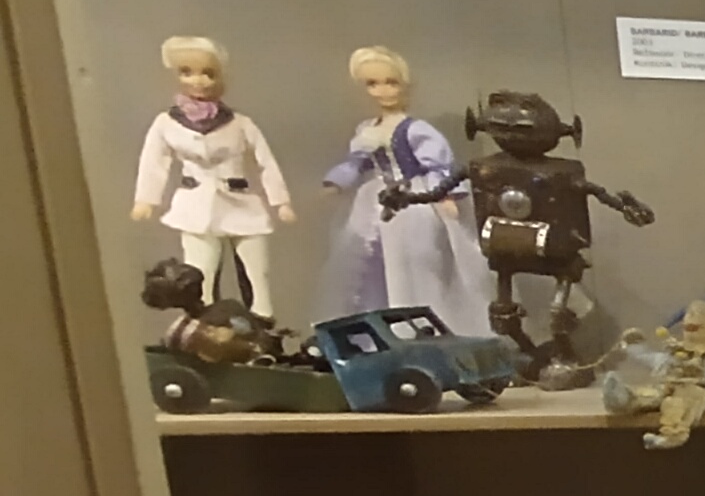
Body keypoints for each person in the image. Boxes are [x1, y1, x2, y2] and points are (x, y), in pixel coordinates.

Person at [321, 47, 492, 330]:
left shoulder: (414, 129)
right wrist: (335, 183)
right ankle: (379, 327)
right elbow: (357, 162)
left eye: (391, 82)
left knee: (417, 263)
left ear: (405, 84)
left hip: (413, 200)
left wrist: (445, 195)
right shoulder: (366, 128)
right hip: (375, 201)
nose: (383, 91)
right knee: (371, 266)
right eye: (372, 84)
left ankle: (427, 325)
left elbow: (438, 165)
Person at [130, 35, 293, 317]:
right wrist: (146, 199)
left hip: (240, 201)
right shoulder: (167, 123)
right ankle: (203, 320)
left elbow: (265, 161)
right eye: (187, 72)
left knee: (256, 271)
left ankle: (263, 321)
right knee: (199, 270)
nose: (198, 81)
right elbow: (154, 161)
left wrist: (281, 202)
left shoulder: (239, 123)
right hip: (195, 204)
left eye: (208, 73)